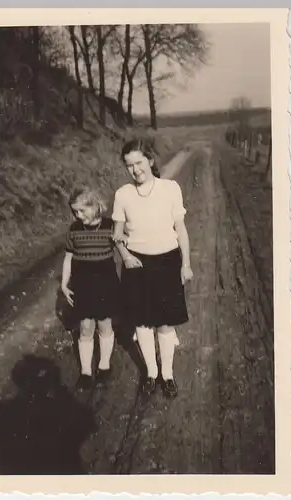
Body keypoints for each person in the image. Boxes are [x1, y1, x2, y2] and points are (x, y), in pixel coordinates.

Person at [112, 138, 193, 399]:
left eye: (138, 162)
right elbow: (117, 234)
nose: (135, 170)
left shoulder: (170, 188)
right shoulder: (123, 194)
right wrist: (124, 255)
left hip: (167, 262)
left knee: (166, 324)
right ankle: (150, 373)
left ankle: (167, 375)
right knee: (143, 324)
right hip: (136, 264)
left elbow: (181, 229)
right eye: (129, 166)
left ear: (150, 160)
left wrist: (186, 264)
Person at [61, 186, 119, 391]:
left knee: (104, 324)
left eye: (82, 210)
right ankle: (85, 371)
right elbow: (68, 258)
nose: (78, 215)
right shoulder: (74, 230)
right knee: (86, 326)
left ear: (95, 206)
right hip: (82, 282)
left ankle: (104, 365)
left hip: (105, 281)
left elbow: (125, 243)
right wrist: (64, 284)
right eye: (74, 211)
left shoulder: (111, 226)